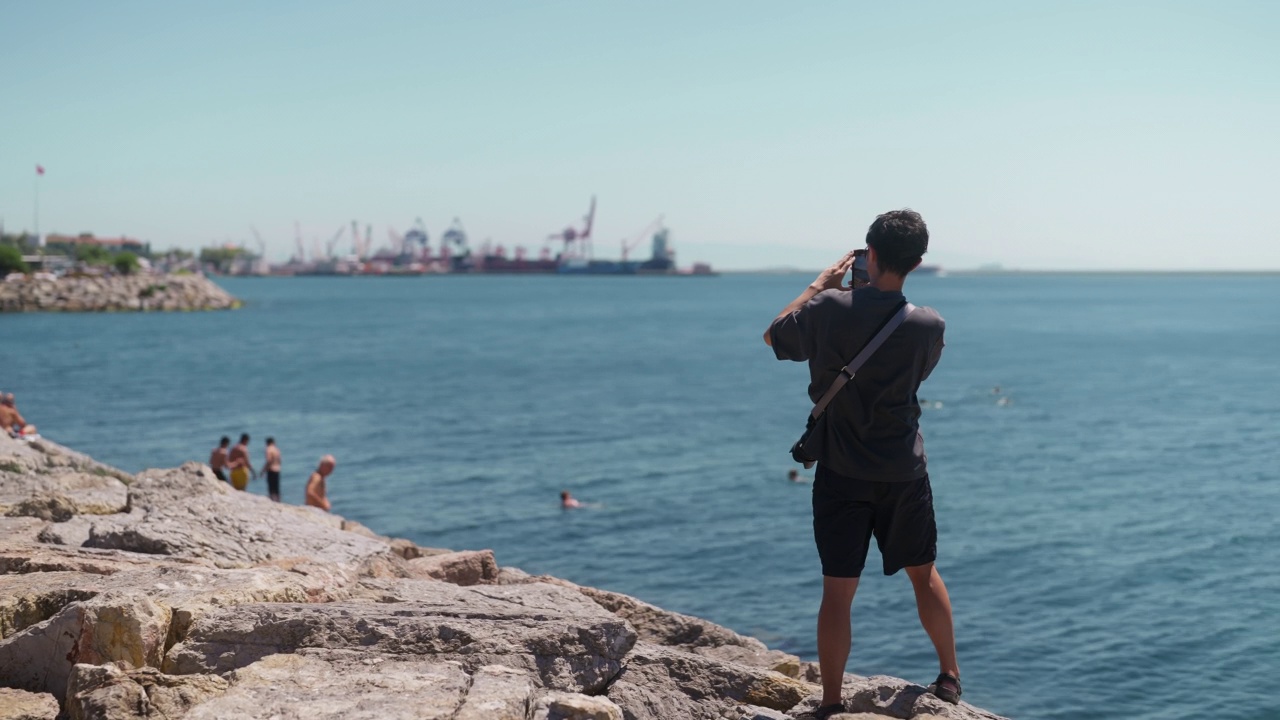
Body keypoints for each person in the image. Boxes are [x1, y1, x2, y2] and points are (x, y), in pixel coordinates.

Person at [764, 209, 960, 716]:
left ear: (868, 254)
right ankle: (949, 676)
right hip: (903, 471)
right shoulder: (928, 324)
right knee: (924, 572)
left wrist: (819, 286)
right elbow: (919, 377)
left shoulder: (829, 307)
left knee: (838, 591)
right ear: (917, 262)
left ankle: (832, 703)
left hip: (841, 471)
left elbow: (775, 337)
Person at [263, 437, 282, 502]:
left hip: (271, 470)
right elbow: (280, 460)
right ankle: (278, 501)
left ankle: (273, 501)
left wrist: (263, 470)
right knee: (277, 488)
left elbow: (269, 460)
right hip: (277, 469)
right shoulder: (277, 449)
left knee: (271, 488)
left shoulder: (268, 449)